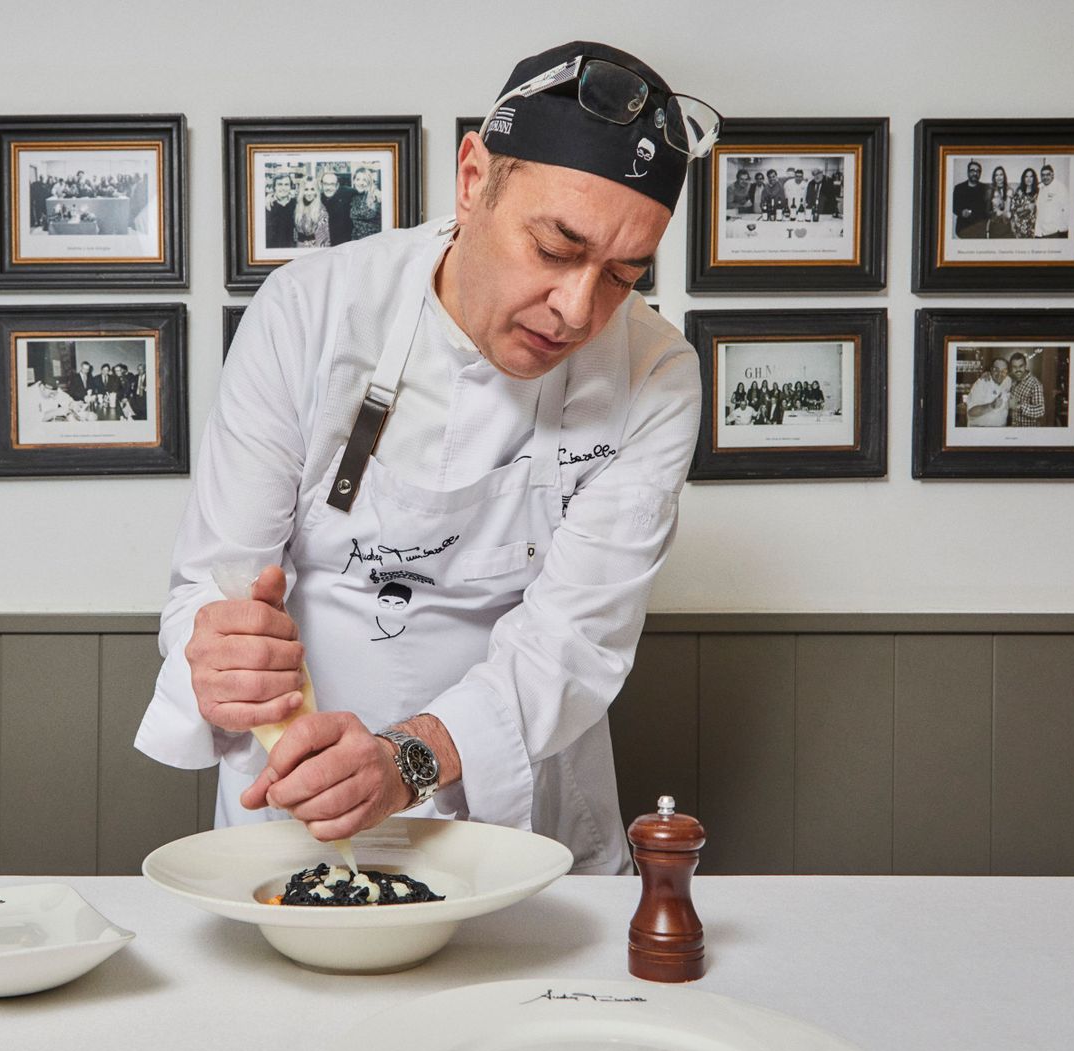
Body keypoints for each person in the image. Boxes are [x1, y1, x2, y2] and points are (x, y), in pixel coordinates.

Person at [134, 40, 716, 875]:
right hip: (298, 801)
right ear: (474, 179)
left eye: (623, 275)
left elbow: (571, 642)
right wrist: (219, 650)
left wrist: (405, 760)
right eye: (556, 250)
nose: (577, 310)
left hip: (520, 819)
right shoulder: (309, 312)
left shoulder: (655, 375)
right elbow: (215, 583)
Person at [963, 357, 1012, 427]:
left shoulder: (1008, 380)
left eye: (1003, 371)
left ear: (1007, 372)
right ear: (991, 370)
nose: (999, 374)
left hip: (1001, 429)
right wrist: (991, 406)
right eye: (996, 370)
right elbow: (971, 412)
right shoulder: (981, 383)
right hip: (981, 429)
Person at [952, 160, 990, 239]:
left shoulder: (985, 188)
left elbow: (989, 208)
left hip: (980, 230)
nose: (975, 173)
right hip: (963, 230)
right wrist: (961, 212)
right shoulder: (959, 188)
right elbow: (954, 206)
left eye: (978, 171)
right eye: (972, 171)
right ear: (968, 172)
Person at [1007, 353, 1045, 426]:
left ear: (1025, 365)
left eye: (1021, 366)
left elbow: (1041, 411)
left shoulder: (1034, 384)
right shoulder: (1013, 380)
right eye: (1014, 367)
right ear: (1011, 368)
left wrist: (1019, 406)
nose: (1018, 370)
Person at [319, 168, 353, 246]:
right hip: (324, 246)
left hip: (343, 245)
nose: (328, 187)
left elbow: (361, 191)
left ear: (337, 186)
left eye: (332, 184)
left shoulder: (347, 194)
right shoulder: (317, 199)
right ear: (321, 185)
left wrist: (375, 192)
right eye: (325, 184)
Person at [293, 176, 330, 247]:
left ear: (316, 191)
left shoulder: (321, 210)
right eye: (306, 189)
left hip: (314, 248)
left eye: (312, 189)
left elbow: (323, 239)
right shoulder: (297, 206)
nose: (309, 193)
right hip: (298, 248)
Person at [1034, 164, 1069, 238]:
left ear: (1052, 175)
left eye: (1048, 174)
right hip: (1042, 232)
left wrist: (1062, 230)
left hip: (1055, 232)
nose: (1045, 177)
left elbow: (1066, 209)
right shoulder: (1041, 188)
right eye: (1043, 175)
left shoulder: (1060, 187)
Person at [348, 167, 382, 241]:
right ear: (354, 181)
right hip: (356, 240)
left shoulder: (375, 195)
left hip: (374, 241)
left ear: (369, 182)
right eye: (358, 179)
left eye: (364, 180)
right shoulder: (354, 196)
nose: (361, 183)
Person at [265, 174, 296, 250]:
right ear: (274, 187)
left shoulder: (295, 204)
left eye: (286, 184)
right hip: (271, 249)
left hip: (290, 249)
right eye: (280, 184)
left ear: (290, 187)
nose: (283, 188)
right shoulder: (267, 205)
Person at [1010, 168, 1039, 239]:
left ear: (1034, 178)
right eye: (1026, 176)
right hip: (1019, 227)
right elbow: (1013, 209)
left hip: (1033, 228)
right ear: (1023, 178)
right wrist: (1026, 207)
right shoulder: (1019, 191)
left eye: (1031, 176)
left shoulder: (1038, 192)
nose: (1029, 179)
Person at [986, 166, 1014, 239]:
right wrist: (995, 213)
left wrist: (1011, 213)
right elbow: (987, 212)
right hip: (995, 227)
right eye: (996, 175)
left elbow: (1013, 210)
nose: (999, 177)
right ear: (994, 177)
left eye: (1001, 175)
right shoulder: (990, 191)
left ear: (1004, 176)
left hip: (1007, 227)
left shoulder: (1010, 190)